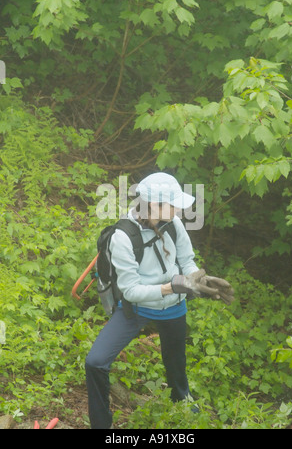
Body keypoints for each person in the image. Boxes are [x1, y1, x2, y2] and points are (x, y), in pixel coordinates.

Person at [85, 172, 234, 429]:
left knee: (176, 361)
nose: (178, 208)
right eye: (172, 203)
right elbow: (130, 290)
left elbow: (187, 260)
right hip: (136, 308)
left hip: (174, 308)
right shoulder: (122, 237)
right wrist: (171, 286)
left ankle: (182, 399)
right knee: (95, 362)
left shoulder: (173, 223)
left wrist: (199, 281)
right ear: (152, 204)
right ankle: (101, 425)